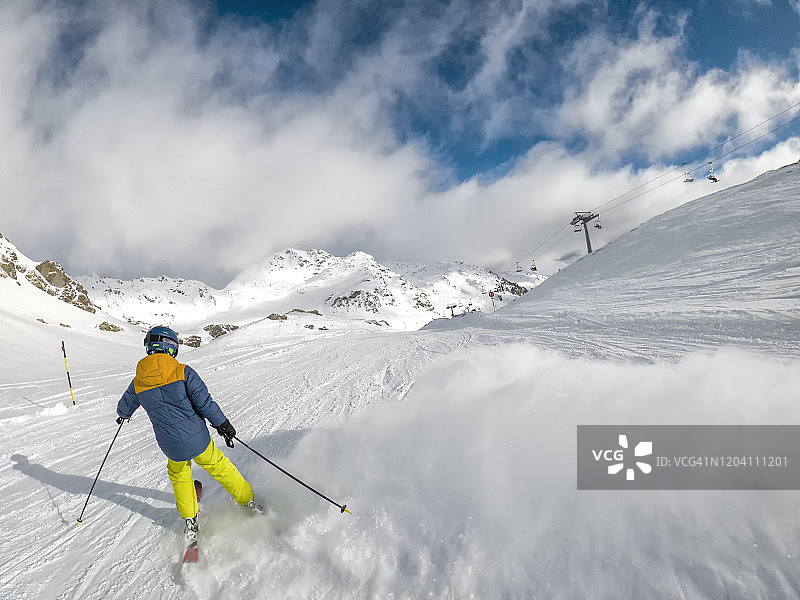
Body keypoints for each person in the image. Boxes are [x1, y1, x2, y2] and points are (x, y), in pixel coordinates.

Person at [116, 325, 262, 545]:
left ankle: (190, 521)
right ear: (171, 348)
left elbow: (124, 406)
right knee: (220, 467)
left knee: (180, 476)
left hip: (170, 445)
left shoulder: (138, 382)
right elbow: (205, 404)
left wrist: (123, 415)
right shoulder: (183, 372)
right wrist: (223, 425)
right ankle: (249, 501)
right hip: (198, 440)